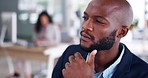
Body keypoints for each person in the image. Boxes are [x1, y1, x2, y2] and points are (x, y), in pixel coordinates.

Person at [52, 0, 148, 78]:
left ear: (121, 32)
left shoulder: (143, 73)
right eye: (85, 17)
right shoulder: (70, 53)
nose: (85, 26)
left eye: (99, 21)